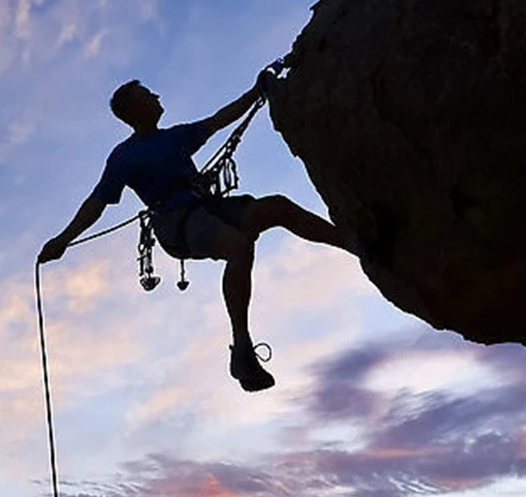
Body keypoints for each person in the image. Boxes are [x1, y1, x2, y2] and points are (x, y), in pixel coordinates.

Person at [37, 73, 355, 392]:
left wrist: (257, 90)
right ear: (132, 109)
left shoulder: (175, 137)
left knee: (277, 207)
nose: (155, 96)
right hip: (176, 224)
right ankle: (242, 348)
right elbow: (97, 202)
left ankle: (355, 244)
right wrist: (64, 239)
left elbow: (219, 120)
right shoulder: (124, 157)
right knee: (239, 245)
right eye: (146, 93)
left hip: (205, 208)